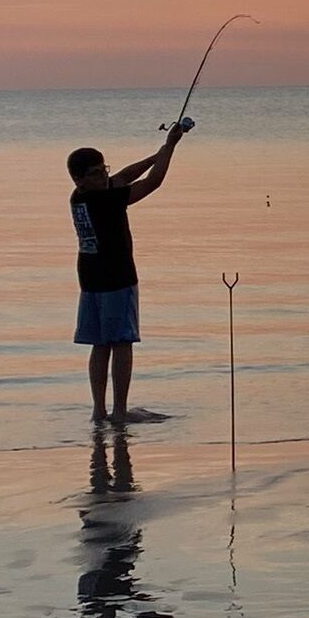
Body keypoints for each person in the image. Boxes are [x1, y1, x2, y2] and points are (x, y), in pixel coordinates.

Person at [66, 125, 186, 425]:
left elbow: (121, 176)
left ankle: (99, 411)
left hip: (90, 279)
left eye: (102, 168)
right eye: (95, 173)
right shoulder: (106, 200)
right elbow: (153, 183)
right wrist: (170, 147)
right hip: (117, 279)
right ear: (79, 179)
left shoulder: (78, 196)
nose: (103, 175)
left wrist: (157, 152)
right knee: (120, 343)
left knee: (100, 344)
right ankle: (118, 411)